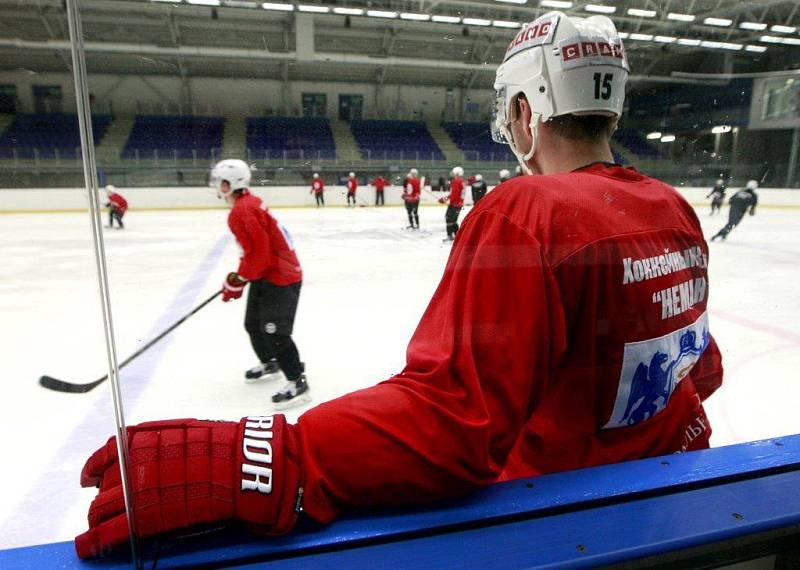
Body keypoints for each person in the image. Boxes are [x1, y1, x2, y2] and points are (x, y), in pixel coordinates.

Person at [74, 12, 723, 560]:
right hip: (654, 515)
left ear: (527, 110)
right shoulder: (671, 206)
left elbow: (455, 422)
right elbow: (702, 370)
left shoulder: (528, 211)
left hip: (556, 528)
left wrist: (287, 454)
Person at [210, 159, 311, 409]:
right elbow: (254, 252)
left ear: (231, 183)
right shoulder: (248, 204)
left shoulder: (242, 211)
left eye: (220, 182)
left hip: (281, 276)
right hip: (268, 273)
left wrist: (238, 280)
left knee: (274, 330)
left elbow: (260, 255)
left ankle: (298, 382)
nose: (216, 186)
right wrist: (240, 277)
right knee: (253, 324)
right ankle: (271, 362)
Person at [440, 166, 466, 241]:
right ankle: (458, 236)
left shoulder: (456, 181)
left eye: (454, 173)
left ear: (457, 173)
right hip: (459, 205)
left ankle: (449, 236)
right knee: (454, 220)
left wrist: (444, 199)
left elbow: (454, 194)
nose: (453, 174)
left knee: (449, 219)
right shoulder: (462, 181)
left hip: (454, 204)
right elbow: (455, 194)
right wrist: (445, 199)